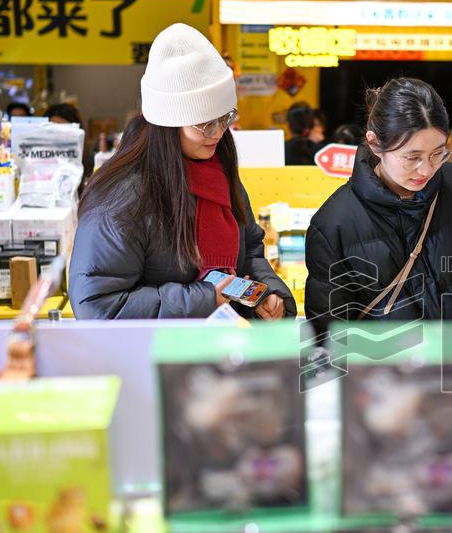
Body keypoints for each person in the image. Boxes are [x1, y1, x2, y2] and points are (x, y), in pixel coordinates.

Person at [69, 23, 295, 320]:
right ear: (168, 124)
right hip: (151, 358)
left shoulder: (219, 172)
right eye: (204, 124)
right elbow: (97, 304)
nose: (217, 133)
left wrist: (267, 291)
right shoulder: (123, 196)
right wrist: (201, 299)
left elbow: (249, 249)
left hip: (214, 350)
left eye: (225, 118)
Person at [304, 77, 452, 341]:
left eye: (437, 153)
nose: (426, 169)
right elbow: (330, 332)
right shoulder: (333, 224)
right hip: (390, 378)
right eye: (412, 157)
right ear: (374, 143)